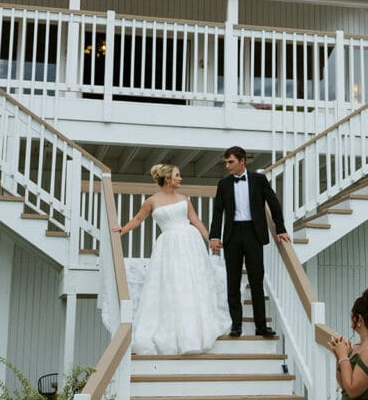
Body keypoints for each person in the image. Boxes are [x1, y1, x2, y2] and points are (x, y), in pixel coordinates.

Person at [114, 163, 229, 355]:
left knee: (191, 283)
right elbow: (138, 219)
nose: (181, 179)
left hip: (190, 242)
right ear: (168, 179)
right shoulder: (151, 201)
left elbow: (196, 220)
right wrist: (123, 229)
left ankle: (196, 331)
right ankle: (176, 332)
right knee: (173, 284)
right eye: (177, 175)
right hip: (168, 245)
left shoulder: (184, 199)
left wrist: (210, 239)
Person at [209, 146, 291, 338]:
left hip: (254, 234)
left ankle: (261, 326)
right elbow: (218, 211)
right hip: (232, 234)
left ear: (242, 161)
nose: (228, 166)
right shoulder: (224, 184)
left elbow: (273, 203)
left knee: (256, 280)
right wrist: (214, 236)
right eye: (226, 162)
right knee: (233, 281)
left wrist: (280, 228)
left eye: (231, 162)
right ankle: (235, 325)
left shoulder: (258, 180)